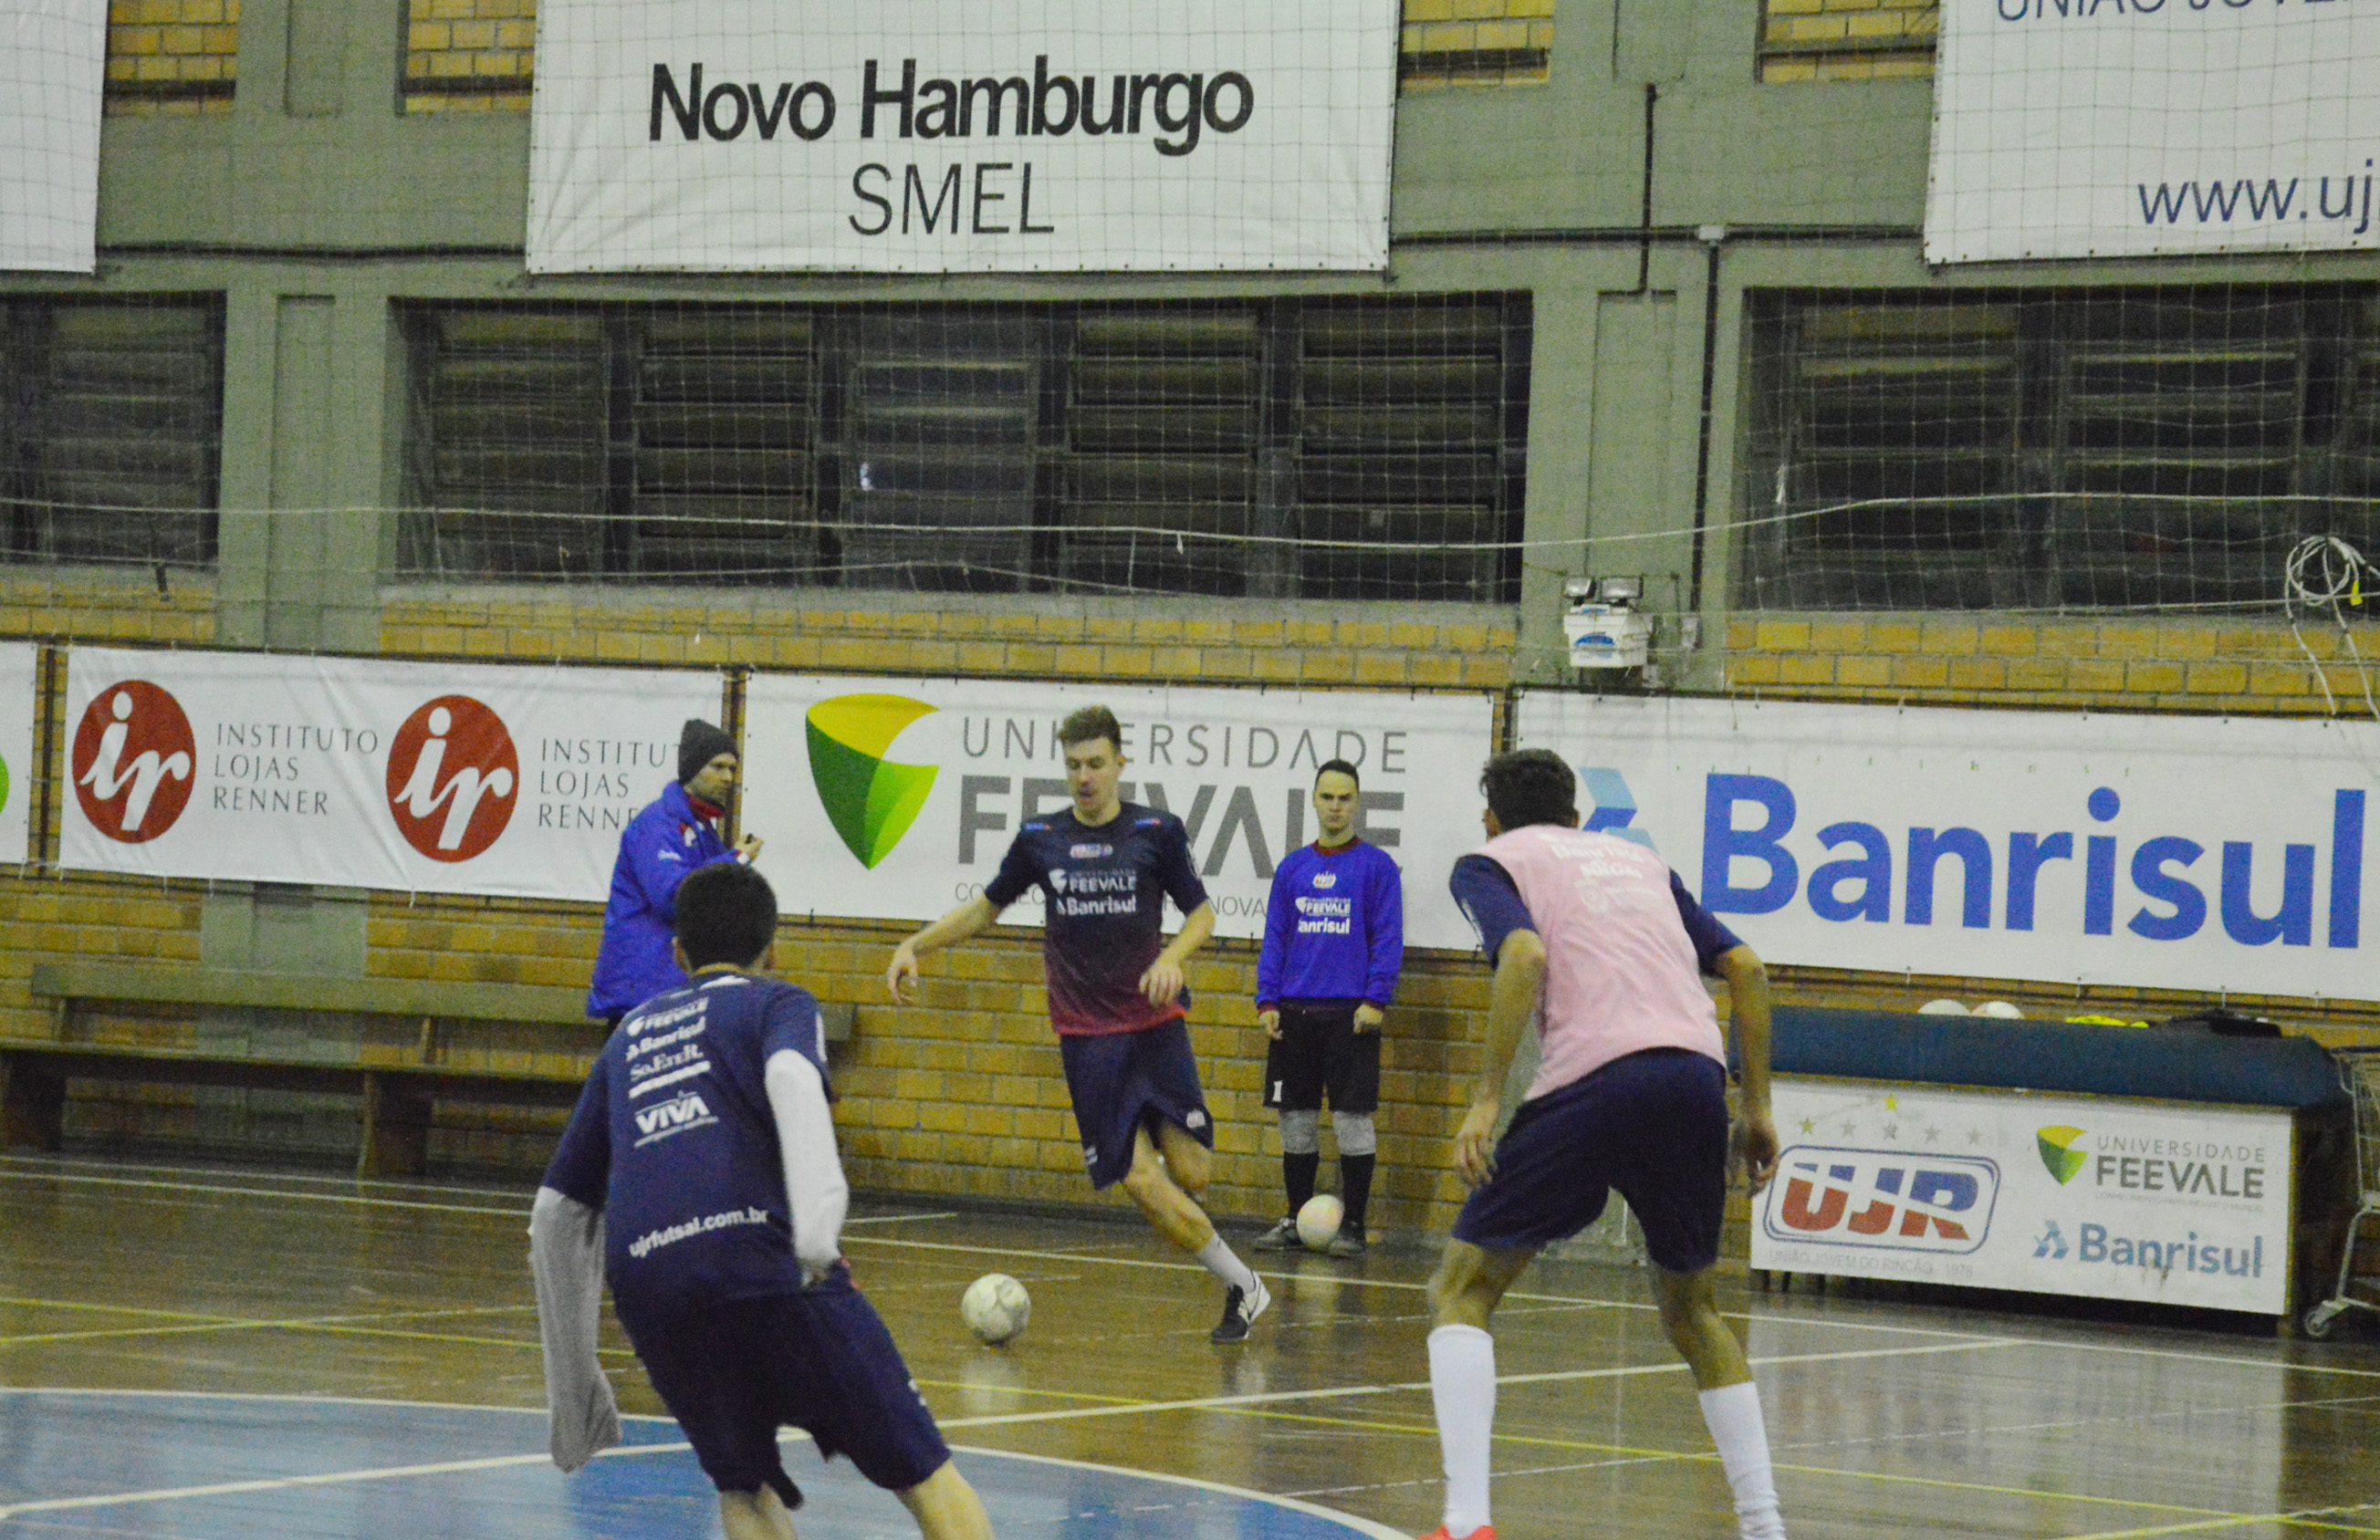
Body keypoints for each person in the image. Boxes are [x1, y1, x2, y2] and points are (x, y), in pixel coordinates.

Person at [530, 861, 994, 1540]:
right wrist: (817, 1235)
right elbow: (791, 1078)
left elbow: (555, 1213)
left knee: (742, 1486)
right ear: (772, 951)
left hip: (655, 1290)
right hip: (764, 1263)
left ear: (677, 953)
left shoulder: (628, 1036)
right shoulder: (778, 1003)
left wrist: (574, 1385)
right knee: (926, 1475)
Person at [1421, 749, 1786, 1540]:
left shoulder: (1490, 862)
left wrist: (1486, 1099)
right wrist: (1756, 1109)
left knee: (1463, 1288)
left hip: (1594, 1083)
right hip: (1694, 1081)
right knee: (1694, 1311)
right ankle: (1765, 1527)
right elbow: (1748, 970)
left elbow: (1524, 955)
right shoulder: (1642, 861)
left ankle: (1467, 1522)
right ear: (1577, 817)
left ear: (1492, 819)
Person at [884, 703, 1270, 1344]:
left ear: (1120, 763)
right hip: (1088, 1040)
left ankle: (1167, 1167)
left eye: (1095, 763)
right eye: (1073, 766)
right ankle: (1245, 1285)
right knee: (1140, 1181)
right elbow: (985, 909)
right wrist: (914, 945)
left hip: (1155, 1025)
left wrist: (1171, 958)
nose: (1084, 777)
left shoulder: (1156, 830)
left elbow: (1201, 914)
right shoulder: (1041, 837)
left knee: (1195, 1173)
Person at [1252, 758, 1403, 1258]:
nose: (1335, 806)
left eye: (1344, 798)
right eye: (1327, 797)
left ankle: (1353, 1225)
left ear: (1356, 803)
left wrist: (1376, 999)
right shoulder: (1292, 868)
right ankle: (1296, 1219)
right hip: (1294, 1013)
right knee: (1294, 1119)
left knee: (1350, 1121)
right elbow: (1275, 937)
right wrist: (1267, 999)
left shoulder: (1377, 867)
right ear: (1314, 801)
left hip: (1351, 1016)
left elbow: (1388, 938)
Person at [588, 718, 763, 1027]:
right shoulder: (658, 824)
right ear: (692, 769)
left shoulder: (699, 827)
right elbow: (673, 898)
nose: (727, 778)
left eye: (732, 769)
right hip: (644, 993)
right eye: (718, 767)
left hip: (669, 989)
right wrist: (736, 859)